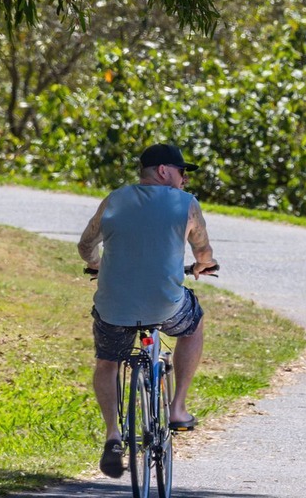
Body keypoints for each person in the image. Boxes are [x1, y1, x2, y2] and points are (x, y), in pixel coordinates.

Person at [78, 143, 219, 478]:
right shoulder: (186, 204)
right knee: (193, 324)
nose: (184, 181)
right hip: (165, 305)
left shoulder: (114, 199)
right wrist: (203, 266)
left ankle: (113, 435)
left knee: (107, 360)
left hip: (114, 307)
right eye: (182, 173)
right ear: (163, 171)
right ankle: (178, 408)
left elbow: (85, 246)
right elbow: (203, 251)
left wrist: (98, 265)